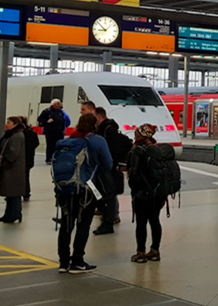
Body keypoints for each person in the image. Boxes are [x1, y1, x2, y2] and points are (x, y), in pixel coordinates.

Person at [55, 113, 112, 274]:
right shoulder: (97, 140)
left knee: (66, 225)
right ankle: (77, 261)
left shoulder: (69, 140)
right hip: (86, 189)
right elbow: (108, 163)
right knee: (83, 225)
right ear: (95, 125)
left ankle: (63, 263)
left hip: (65, 188)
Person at [126, 124, 170, 262]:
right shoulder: (159, 150)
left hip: (142, 193)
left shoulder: (137, 151)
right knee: (155, 220)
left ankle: (141, 253)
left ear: (140, 135)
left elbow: (133, 172)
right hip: (158, 193)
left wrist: (134, 188)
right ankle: (155, 251)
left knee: (141, 223)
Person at [93, 107, 131, 235]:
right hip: (107, 166)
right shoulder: (106, 129)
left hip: (108, 167)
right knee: (105, 193)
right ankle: (108, 217)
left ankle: (110, 218)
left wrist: (111, 164)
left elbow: (112, 150)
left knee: (109, 194)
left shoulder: (108, 130)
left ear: (99, 118)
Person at [0, 116, 28, 223]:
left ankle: (15, 213)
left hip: (13, 168)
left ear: (15, 124)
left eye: (9, 122)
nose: (6, 124)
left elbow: (13, 152)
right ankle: (9, 213)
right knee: (10, 193)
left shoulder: (17, 136)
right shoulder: (11, 134)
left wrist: (5, 161)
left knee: (14, 193)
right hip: (11, 167)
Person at [39, 99, 70, 165]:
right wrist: (47, 121)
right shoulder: (47, 111)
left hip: (59, 132)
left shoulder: (60, 112)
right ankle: (49, 158)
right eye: (58, 104)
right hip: (50, 132)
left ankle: (57, 157)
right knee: (50, 145)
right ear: (54, 105)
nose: (60, 105)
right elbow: (39, 119)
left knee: (59, 145)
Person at [22, 117, 40, 202]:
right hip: (29, 158)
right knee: (26, 176)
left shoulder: (18, 134)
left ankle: (15, 193)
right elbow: (36, 143)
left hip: (20, 158)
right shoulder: (32, 133)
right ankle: (26, 193)